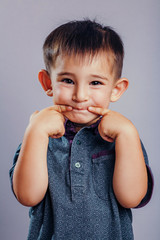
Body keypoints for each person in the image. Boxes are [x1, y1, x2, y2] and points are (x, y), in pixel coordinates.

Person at [9, 19, 153, 240]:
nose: (80, 96)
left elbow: (131, 198)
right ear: (48, 83)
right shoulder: (39, 135)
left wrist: (127, 133)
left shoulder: (124, 138)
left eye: (95, 83)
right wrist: (36, 132)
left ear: (116, 89)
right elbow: (27, 196)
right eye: (68, 80)